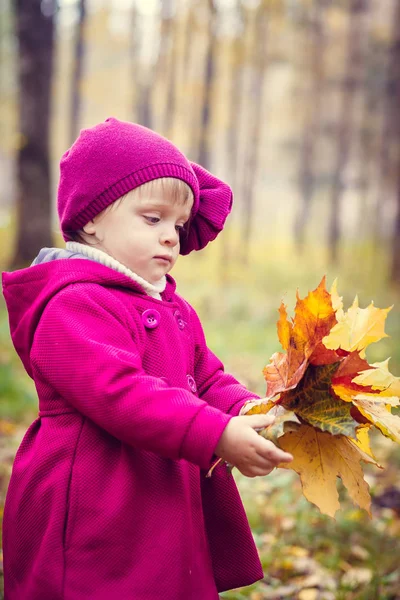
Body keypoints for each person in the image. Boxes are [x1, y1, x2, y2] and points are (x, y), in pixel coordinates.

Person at [2, 118, 292, 600]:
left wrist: (246, 411)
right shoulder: (71, 304)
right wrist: (214, 433)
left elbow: (207, 375)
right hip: (99, 503)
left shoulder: (171, 306)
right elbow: (122, 393)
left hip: (161, 490)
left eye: (178, 225)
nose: (171, 238)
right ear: (92, 218)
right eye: (152, 219)